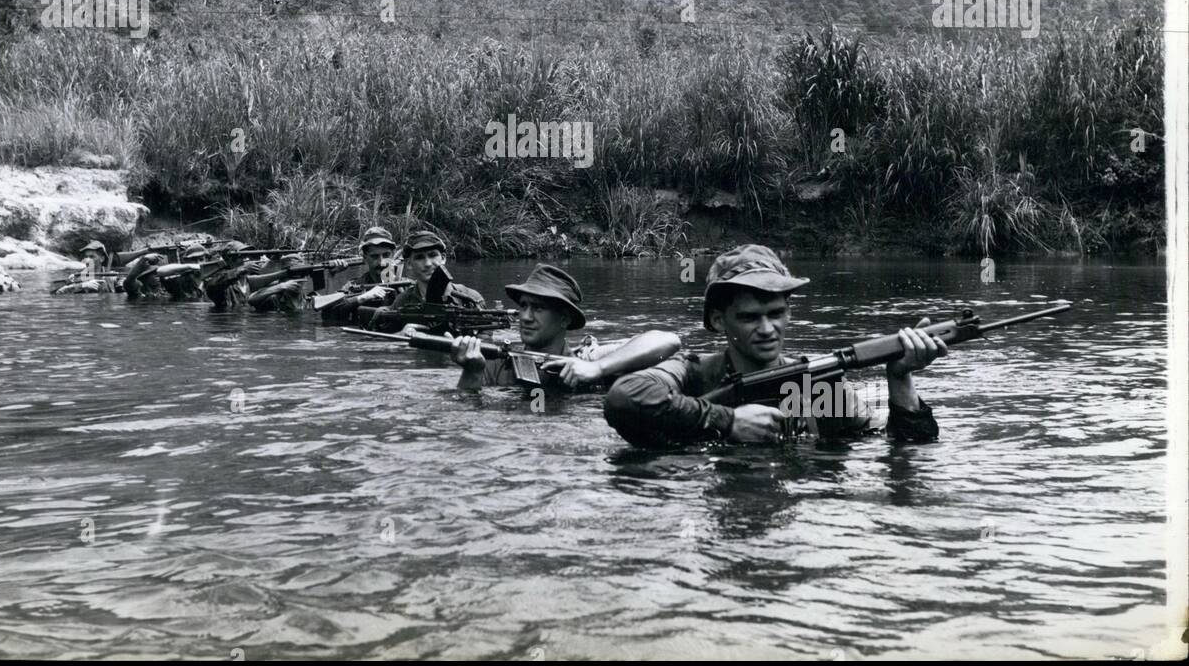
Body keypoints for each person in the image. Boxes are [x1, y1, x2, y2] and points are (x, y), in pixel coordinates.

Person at [603, 244, 942, 448]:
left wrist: (900, 380)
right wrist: (729, 421)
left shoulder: (818, 384)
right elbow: (623, 397)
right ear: (720, 321)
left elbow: (905, 449)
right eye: (750, 317)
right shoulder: (692, 373)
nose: (767, 329)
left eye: (777, 313)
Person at [448, 264, 681, 392]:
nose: (526, 317)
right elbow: (467, 423)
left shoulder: (588, 360)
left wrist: (597, 369)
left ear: (564, 319)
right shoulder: (493, 363)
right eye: (523, 306)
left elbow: (668, 341)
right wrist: (471, 372)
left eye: (538, 308)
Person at [317, 226, 402, 322]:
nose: (381, 262)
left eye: (386, 255)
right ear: (365, 258)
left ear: (393, 255)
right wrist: (362, 298)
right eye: (375, 256)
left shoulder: (405, 285)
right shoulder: (354, 286)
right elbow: (328, 316)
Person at [388, 230, 485, 310]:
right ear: (409, 264)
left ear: (443, 258)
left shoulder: (470, 298)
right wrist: (402, 333)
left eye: (432, 255)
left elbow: (487, 330)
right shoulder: (402, 302)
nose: (428, 264)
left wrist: (472, 334)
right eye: (419, 257)